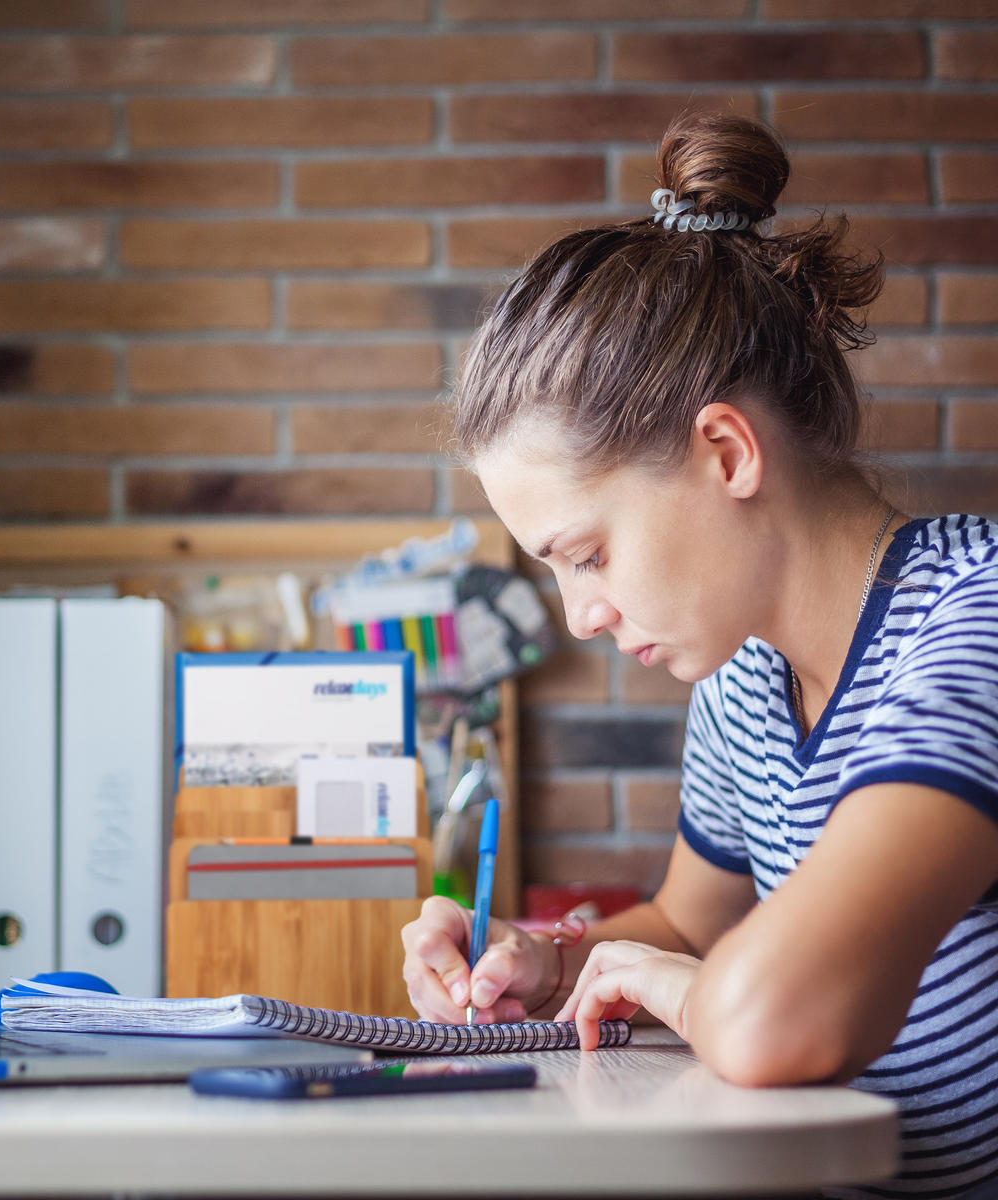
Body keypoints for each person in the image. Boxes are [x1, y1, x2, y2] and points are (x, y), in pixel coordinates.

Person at [401, 112, 998, 1198]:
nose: (579, 614)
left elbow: (775, 1019)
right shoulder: (742, 681)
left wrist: (670, 984)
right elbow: (688, 923)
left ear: (725, 452)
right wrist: (545, 961)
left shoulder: (974, 626)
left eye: (584, 556)